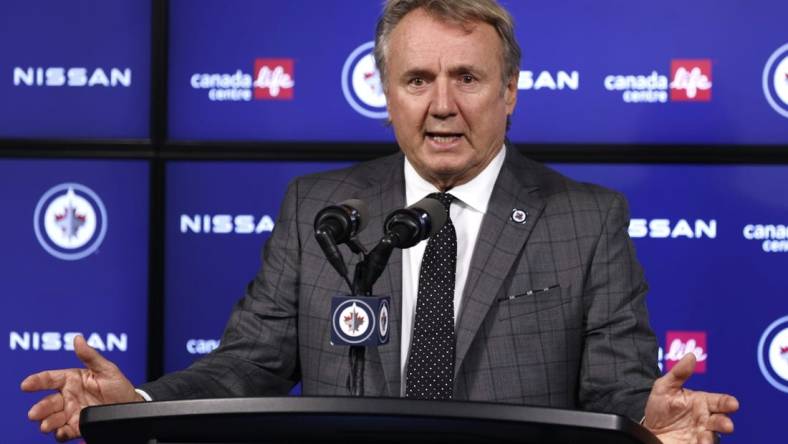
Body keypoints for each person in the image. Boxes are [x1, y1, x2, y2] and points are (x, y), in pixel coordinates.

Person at [22, 0, 738, 442]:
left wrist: (649, 422)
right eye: (418, 80)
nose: (442, 104)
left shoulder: (585, 219)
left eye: (468, 77)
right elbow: (251, 364)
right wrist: (140, 403)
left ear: (511, 91)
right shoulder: (319, 208)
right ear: (386, 91)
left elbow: (612, 392)